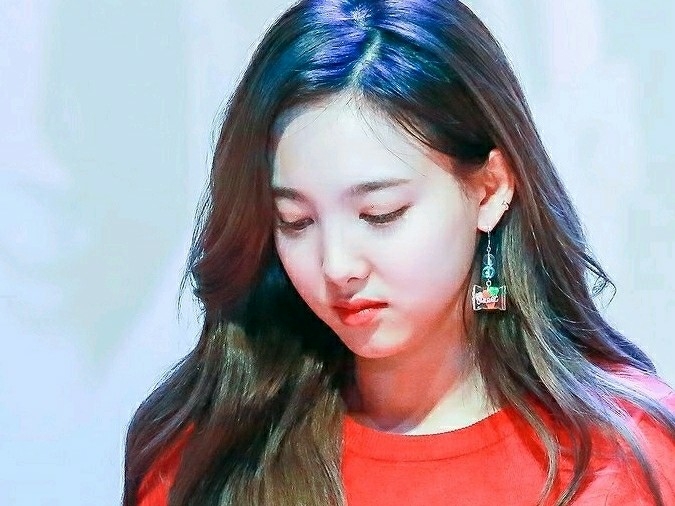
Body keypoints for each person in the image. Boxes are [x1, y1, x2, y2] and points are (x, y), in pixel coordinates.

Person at [123, 0, 675, 504]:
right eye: (295, 221)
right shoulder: (205, 458)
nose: (337, 265)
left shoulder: (621, 459)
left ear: (489, 190)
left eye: (380, 214)